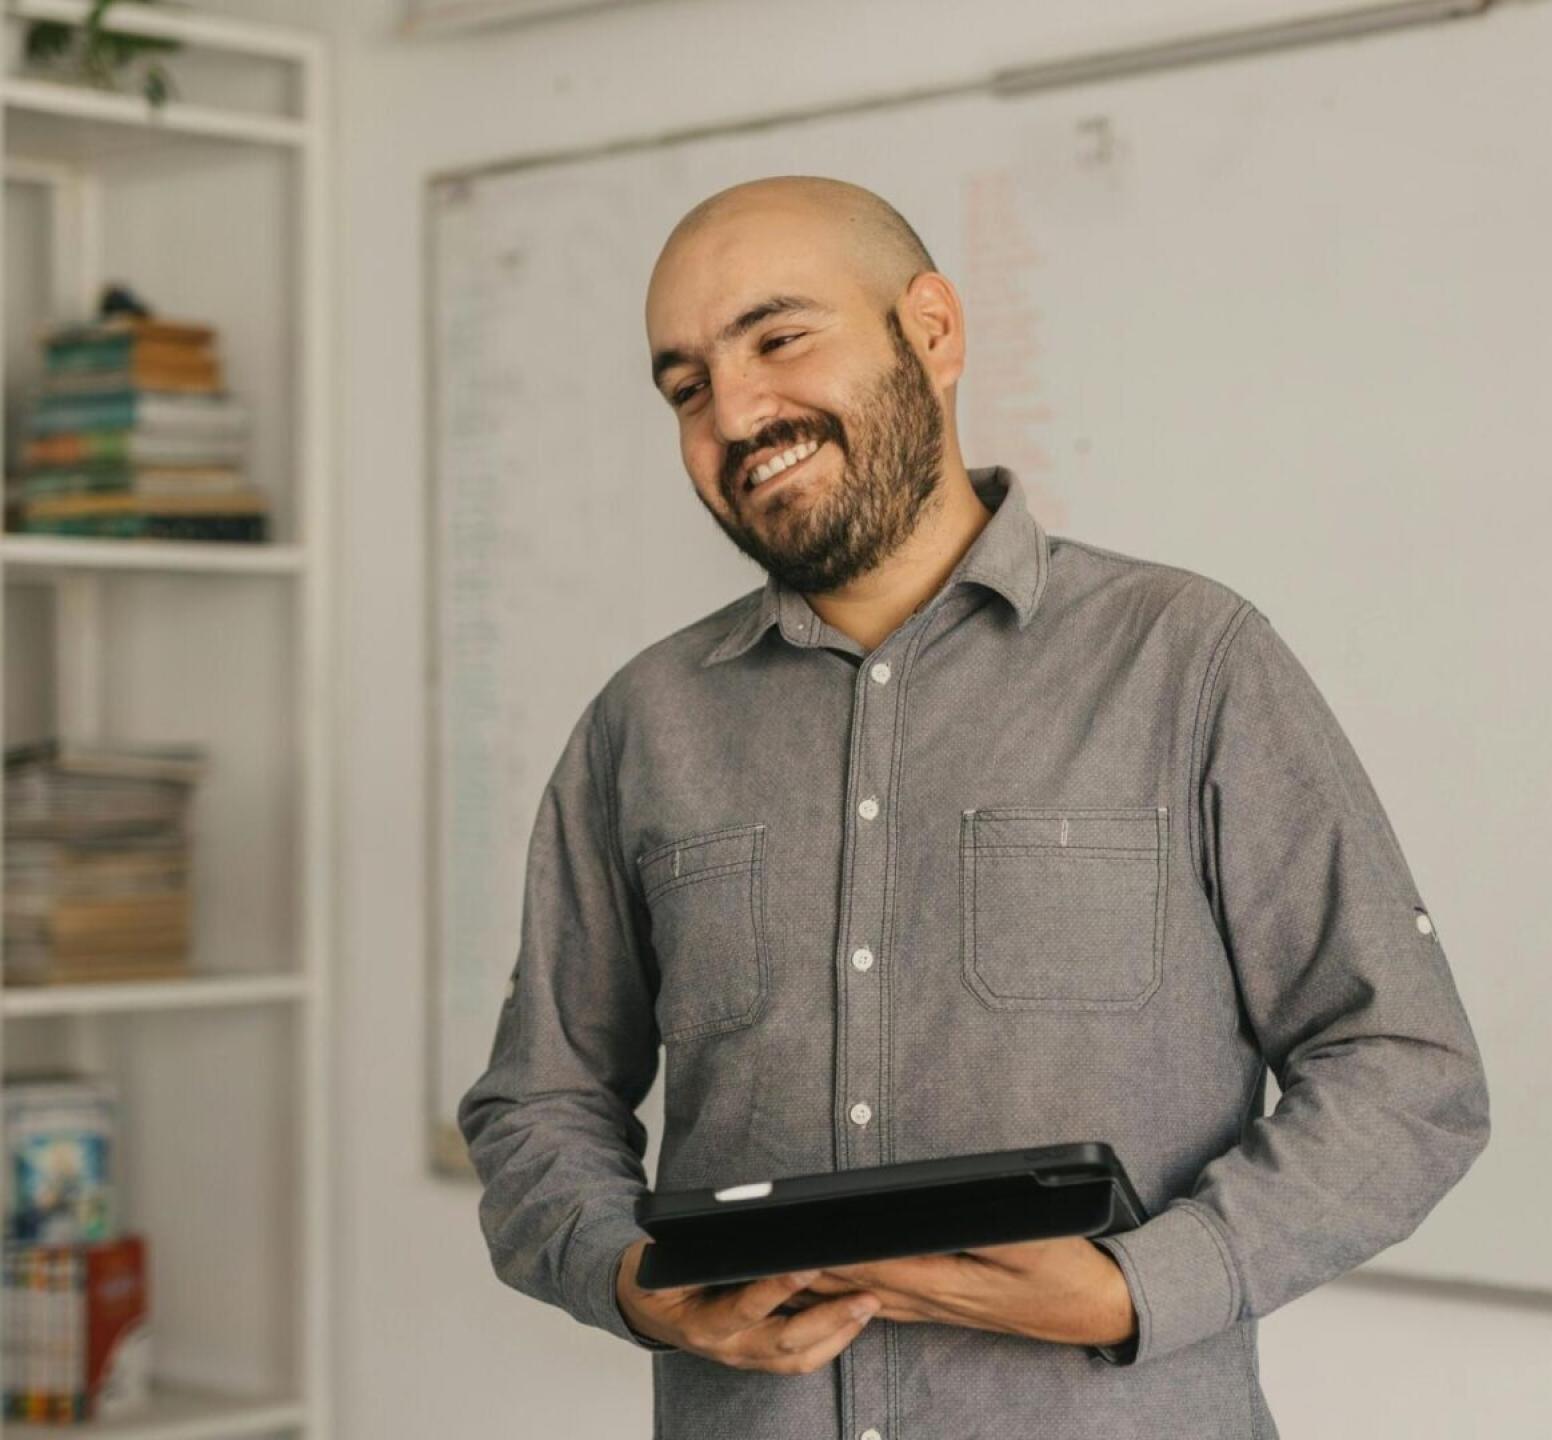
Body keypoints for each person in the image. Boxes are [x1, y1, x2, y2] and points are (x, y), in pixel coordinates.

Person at [457, 174, 1491, 1438]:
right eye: (686, 386)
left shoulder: (1190, 661)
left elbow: (1405, 1071)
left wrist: (1138, 1287)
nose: (734, 412)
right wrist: (638, 1283)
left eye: (778, 339)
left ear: (932, 331)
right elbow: (539, 1104)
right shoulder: (644, 723)